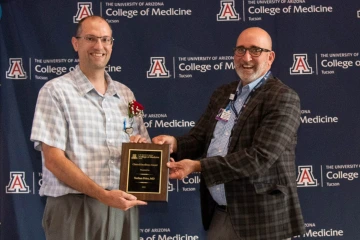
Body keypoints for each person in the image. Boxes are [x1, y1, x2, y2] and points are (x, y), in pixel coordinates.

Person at [152, 27, 305, 240]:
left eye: (255, 50)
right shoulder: (223, 93)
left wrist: (198, 166)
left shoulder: (283, 98)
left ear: (270, 57)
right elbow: (199, 138)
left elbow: (260, 157)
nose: (246, 57)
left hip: (263, 219)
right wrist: (174, 144)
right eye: (240, 50)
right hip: (221, 213)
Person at [30, 15, 149, 240]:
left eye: (105, 39)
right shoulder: (55, 91)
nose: (99, 46)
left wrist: (142, 149)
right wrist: (102, 195)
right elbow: (54, 160)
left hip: (121, 209)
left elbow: (143, 146)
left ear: (112, 45)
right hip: (74, 208)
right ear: (76, 43)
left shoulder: (126, 95)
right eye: (91, 38)